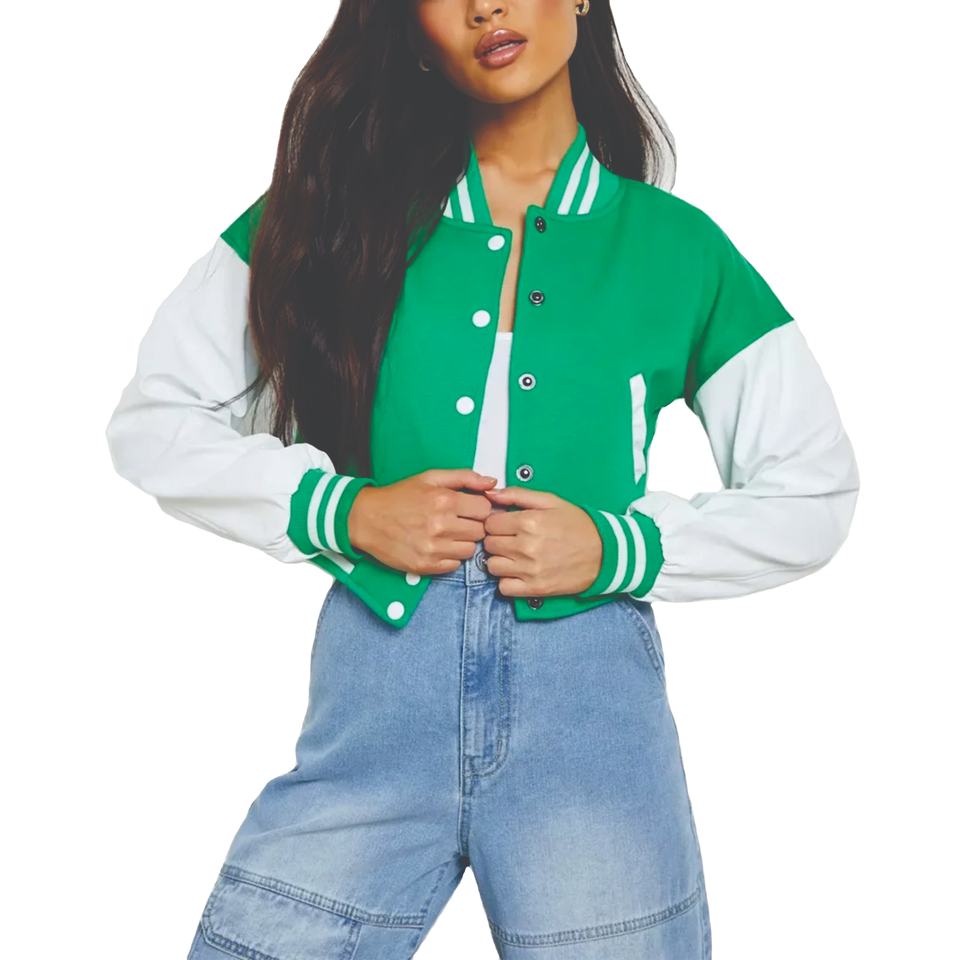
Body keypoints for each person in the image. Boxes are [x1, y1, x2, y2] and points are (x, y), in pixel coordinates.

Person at [104, 2, 860, 957]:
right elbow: (157, 417)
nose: (484, 7)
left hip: (590, 732)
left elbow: (813, 488)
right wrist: (342, 510)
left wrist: (619, 547)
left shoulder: (677, 249)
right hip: (374, 710)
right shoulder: (330, 218)